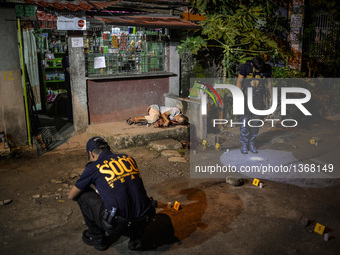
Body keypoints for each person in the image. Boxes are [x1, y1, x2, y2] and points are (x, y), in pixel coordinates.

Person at [68, 137, 156, 251]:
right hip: (145, 218)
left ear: (91, 154)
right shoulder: (128, 158)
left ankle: (97, 239)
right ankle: (135, 236)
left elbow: (71, 196)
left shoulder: (93, 167)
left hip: (118, 225)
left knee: (83, 194)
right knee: (129, 191)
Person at [236, 56, 272, 154]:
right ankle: (244, 144)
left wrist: (271, 96)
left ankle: (252, 143)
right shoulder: (245, 67)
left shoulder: (267, 68)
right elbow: (239, 81)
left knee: (255, 123)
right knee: (245, 122)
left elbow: (269, 82)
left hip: (258, 99)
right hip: (245, 98)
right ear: (252, 64)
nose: (259, 70)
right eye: (257, 69)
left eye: (260, 69)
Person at [62, 50, 73, 123]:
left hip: (71, 81)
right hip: (69, 81)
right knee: (70, 99)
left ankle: (72, 116)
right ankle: (70, 117)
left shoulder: (70, 58)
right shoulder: (65, 59)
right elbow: (68, 69)